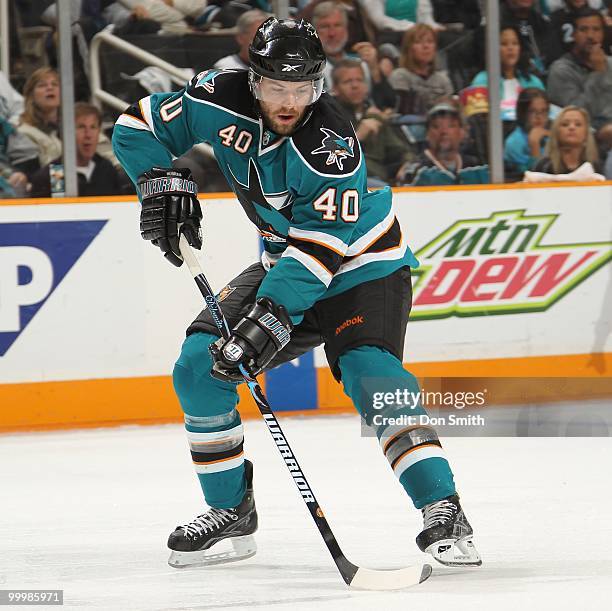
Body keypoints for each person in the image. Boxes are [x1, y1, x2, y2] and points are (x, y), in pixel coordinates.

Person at [112, 17, 481, 570]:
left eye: (303, 89)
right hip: (286, 259)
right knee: (197, 367)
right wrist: (158, 180)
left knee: (370, 373)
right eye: (278, 88)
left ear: (320, 84)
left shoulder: (331, 146)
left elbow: (320, 252)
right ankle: (230, 513)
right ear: (254, 79)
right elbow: (137, 124)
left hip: (361, 267)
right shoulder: (219, 95)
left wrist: (269, 318)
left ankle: (443, 508)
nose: (290, 102)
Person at [331, 58, 415, 185]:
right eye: (348, 81)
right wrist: (358, 136)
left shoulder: (375, 116)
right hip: (345, 181)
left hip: (380, 178)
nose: (355, 86)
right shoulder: (327, 116)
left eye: (359, 80)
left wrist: (407, 164)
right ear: (335, 89)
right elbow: (325, 159)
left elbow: (401, 151)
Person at [312, 1, 397, 109]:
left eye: (337, 25)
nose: (332, 33)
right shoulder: (309, 69)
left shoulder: (363, 63)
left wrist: (375, 71)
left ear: (346, 29)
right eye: (325, 27)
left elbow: (389, 104)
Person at [30, 103, 127, 197]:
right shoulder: (55, 173)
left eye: (93, 127)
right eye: (81, 127)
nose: (88, 135)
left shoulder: (107, 169)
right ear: (66, 132)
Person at [547, 8, 612, 146]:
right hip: (584, 139)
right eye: (584, 29)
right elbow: (577, 115)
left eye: (596, 29)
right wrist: (598, 74)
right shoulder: (561, 70)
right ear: (574, 34)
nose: (590, 35)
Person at [398, 102, 490, 185]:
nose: (444, 131)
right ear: (427, 134)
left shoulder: (476, 166)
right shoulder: (415, 170)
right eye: (436, 126)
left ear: (462, 133)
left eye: (451, 126)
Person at [470, 25, 545, 122]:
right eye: (504, 44)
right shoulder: (481, 81)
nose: (510, 48)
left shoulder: (534, 82)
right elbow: (478, 121)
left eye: (515, 43)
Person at [388, 23, 454, 116]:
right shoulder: (400, 75)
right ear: (409, 48)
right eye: (418, 42)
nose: (426, 46)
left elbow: (449, 111)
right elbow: (404, 110)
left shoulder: (443, 79)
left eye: (430, 42)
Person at [532, 104, 601, 173]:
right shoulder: (544, 166)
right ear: (557, 132)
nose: (571, 127)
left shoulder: (594, 168)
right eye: (565, 124)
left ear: (586, 134)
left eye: (578, 124)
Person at [17, 67, 62, 169]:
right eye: (42, 85)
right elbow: (56, 182)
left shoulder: (76, 127)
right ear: (31, 96)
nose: (50, 88)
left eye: (55, 84)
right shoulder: (24, 134)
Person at [504, 88, 550, 177]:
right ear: (522, 113)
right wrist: (534, 144)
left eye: (543, 111)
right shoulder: (514, 142)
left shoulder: (551, 136)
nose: (539, 117)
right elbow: (533, 177)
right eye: (533, 111)